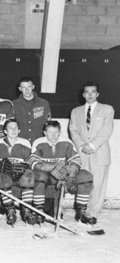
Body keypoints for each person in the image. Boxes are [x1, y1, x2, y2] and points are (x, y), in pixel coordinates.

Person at [29, 120, 97, 225]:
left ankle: (81, 212)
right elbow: (34, 162)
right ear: (44, 132)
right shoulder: (38, 142)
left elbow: (76, 160)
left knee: (85, 176)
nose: (53, 135)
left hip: (65, 175)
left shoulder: (67, 142)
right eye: (50, 132)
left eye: (56, 132)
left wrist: (70, 173)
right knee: (39, 176)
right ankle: (39, 211)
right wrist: (52, 167)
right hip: (47, 176)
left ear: (60, 132)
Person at [69, 82, 114, 218]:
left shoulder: (107, 109)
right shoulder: (75, 111)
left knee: (98, 184)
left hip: (100, 152)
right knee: (83, 182)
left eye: (93, 92)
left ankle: (93, 213)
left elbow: (107, 130)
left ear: (97, 94)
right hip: (82, 153)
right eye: (87, 92)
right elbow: (73, 130)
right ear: (83, 94)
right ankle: (82, 211)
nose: (90, 94)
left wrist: (92, 145)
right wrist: (82, 146)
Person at [0, 118, 38, 225]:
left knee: (29, 174)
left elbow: (30, 160)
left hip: (21, 173)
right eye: (10, 128)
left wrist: (25, 165)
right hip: (5, 173)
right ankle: (10, 210)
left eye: (16, 128)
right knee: (3, 179)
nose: (13, 130)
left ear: (19, 130)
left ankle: (26, 210)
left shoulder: (25, 142)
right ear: (5, 131)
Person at [13, 77, 51, 144]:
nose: (27, 90)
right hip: (21, 142)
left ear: (33, 87)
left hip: (40, 142)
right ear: (20, 89)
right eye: (24, 87)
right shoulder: (14, 104)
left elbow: (48, 123)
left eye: (29, 87)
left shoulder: (44, 103)